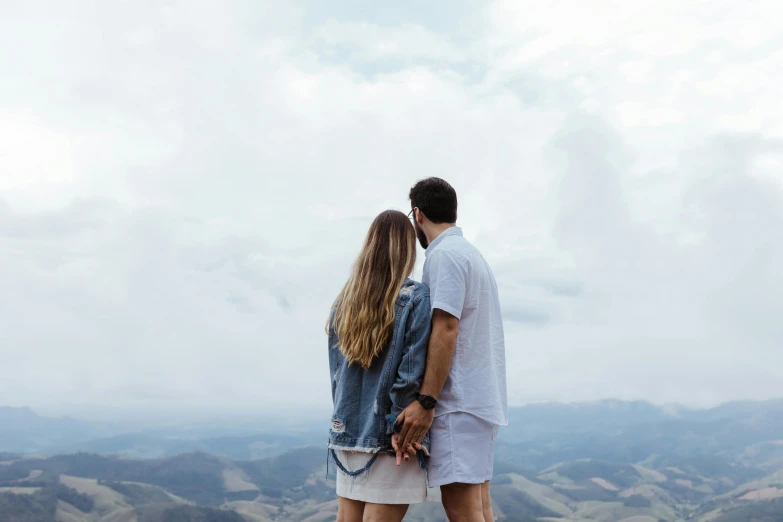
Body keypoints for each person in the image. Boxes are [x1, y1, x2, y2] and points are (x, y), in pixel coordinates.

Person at [396, 178, 508, 522]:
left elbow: (445, 328)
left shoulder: (443, 256)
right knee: (479, 507)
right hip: (479, 400)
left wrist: (427, 400)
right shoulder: (471, 254)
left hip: (456, 402)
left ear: (418, 214)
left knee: (462, 510)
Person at [326, 209, 433, 522]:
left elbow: (337, 375)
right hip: (392, 438)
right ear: (407, 249)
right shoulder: (414, 297)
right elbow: (409, 374)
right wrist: (401, 429)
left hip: (347, 430)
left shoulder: (344, 301)